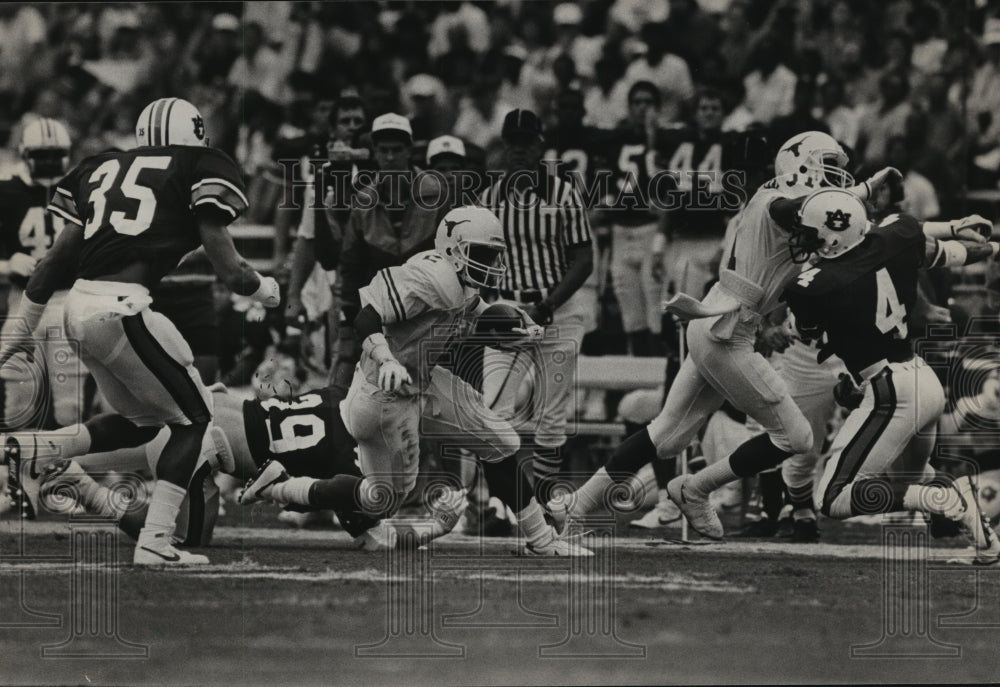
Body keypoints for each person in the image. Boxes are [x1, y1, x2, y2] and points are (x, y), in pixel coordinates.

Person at [549, 131, 896, 535]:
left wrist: (864, 189)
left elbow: (822, 210)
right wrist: (863, 193)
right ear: (802, 163)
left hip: (721, 320)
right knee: (796, 437)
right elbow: (798, 209)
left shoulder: (780, 195)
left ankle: (574, 506)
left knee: (667, 434)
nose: (838, 178)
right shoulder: (777, 201)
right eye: (832, 168)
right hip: (728, 329)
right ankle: (695, 490)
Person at [0, 97, 281, 566]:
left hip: (77, 309)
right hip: (121, 307)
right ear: (193, 134)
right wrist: (270, 291)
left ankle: (23, 447)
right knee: (194, 419)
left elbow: (51, 266)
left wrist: (13, 339)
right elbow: (232, 272)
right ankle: (154, 541)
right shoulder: (199, 164)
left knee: (141, 422)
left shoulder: (102, 166)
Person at [250, 206, 586, 556]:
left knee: (499, 440)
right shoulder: (428, 276)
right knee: (381, 502)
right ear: (454, 250)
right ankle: (282, 488)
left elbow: (476, 317)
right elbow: (364, 318)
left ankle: (541, 540)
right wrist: (385, 359)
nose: (490, 262)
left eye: (493, 255)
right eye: (482, 253)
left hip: (422, 382)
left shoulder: (464, 284)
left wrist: (514, 327)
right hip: (384, 393)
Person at [783, 189, 1000, 563]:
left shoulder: (816, 285)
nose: (803, 237)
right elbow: (912, 232)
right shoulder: (893, 237)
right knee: (915, 477)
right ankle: (986, 544)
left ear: (833, 236)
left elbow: (806, 331)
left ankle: (944, 499)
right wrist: (967, 235)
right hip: (919, 377)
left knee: (832, 498)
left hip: (892, 389)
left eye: (811, 230)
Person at [480, 109, 593, 505]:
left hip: (558, 309)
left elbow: (584, 259)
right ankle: (503, 500)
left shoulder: (564, 192)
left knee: (552, 413)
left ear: (540, 146)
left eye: (526, 144)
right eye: (512, 143)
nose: (518, 152)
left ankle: (543, 502)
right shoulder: (489, 196)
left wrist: (549, 302)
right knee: (495, 409)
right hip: (509, 309)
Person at [0, 118, 89, 430]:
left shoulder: (82, 189)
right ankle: (20, 471)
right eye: (42, 154)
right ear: (25, 155)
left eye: (56, 154)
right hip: (22, 300)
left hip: (70, 299)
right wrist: (7, 263)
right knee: (19, 395)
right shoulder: (7, 192)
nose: (50, 161)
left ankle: (70, 472)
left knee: (71, 402)